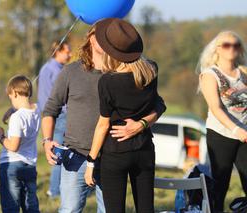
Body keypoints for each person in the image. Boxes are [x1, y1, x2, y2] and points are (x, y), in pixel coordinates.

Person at [42, 19, 166, 213]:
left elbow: (158, 104)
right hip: (78, 155)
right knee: (70, 209)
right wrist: (47, 140)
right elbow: (50, 109)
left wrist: (141, 124)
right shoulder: (70, 71)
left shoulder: (130, 71)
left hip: (112, 155)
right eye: (102, 34)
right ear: (91, 38)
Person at [84, 18, 162, 213]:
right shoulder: (151, 70)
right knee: (146, 209)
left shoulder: (107, 82)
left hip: (115, 153)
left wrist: (91, 161)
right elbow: (159, 104)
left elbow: (102, 125)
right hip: (144, 149)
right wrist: (143, 124)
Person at [197, 31, 247, 212]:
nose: (231, 48)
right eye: (226, 45)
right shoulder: (210, 74)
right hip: (221, 135)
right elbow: (216, 107)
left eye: (236, 45)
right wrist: (236, 130)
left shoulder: (244, 72)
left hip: (245, 135)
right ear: (217, 49)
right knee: (220, 184)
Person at [0, 75, 40, 213]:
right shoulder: (36, 110)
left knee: (11, 207)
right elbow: (28, 106)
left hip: (12, 166)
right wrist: (13, 109)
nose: (11, 100)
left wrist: (0, 136)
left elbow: (13, 146)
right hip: (30, 165)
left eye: (11, 97)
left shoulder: (17, 117)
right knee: (31, 207)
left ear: (14, 92)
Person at [38, 40, 71, 198]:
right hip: (59, 116)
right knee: (59, 153)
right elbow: (60, 98)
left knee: (57, 151)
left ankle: (56, 189)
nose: (70, 54)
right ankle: (55, 190)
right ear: (57, 51)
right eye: (67, 51)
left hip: (51, 115)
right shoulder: (57, 71)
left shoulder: (48, 68)